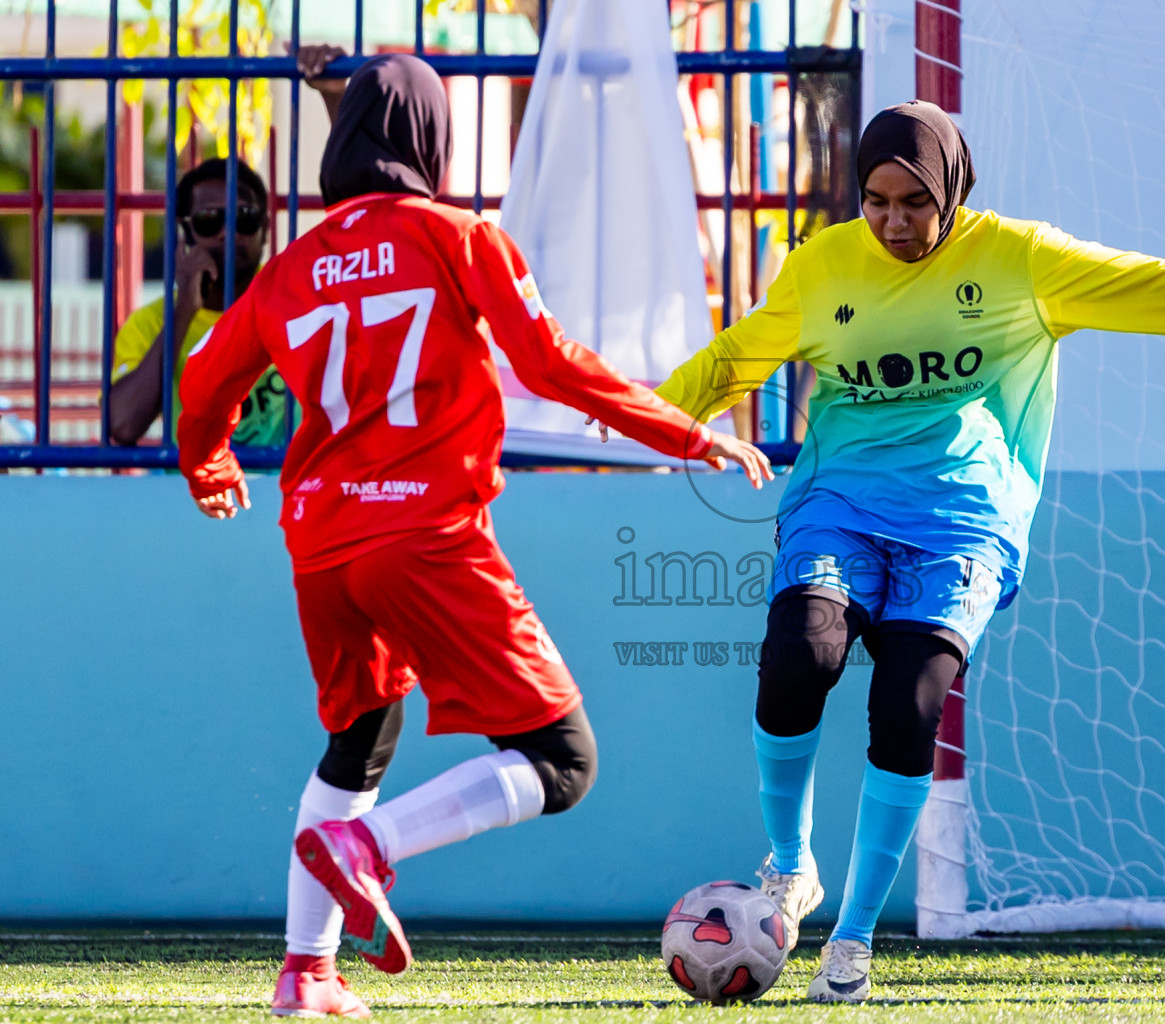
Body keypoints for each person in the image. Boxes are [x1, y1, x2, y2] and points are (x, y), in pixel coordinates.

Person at [653, 100, 1165, 1002]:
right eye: (874, 201)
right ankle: (792, 868)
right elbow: (732, 359)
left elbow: (1152, 283)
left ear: (951, 191)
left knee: (908, 702)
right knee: (800, 653)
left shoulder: (1020, 261)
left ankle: (857, 937)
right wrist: (647, 419)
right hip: (839, 506)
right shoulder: (821, 265)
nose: (893, 223)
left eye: (912, 202)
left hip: (963, 523)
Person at [175, 54, 772, 1019]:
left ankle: (306, 975)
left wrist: (208, 465)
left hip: (321, 544)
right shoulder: (461, 238)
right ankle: (369, 852)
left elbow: (203, 387)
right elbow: (553, 363)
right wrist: (688, 433)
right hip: (425, 533)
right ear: (432, 142)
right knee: (563, 760)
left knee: (356, 741)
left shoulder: (288, 269)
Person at [108, 157, 288, 447]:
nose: (227, 233)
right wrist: (184, 312)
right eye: (209, 220)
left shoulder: (298, 303)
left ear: (265, 227)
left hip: (287, 487)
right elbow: (123, 424)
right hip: (190, 490)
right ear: (187, 232)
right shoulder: (150, 323)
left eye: (243, 217)